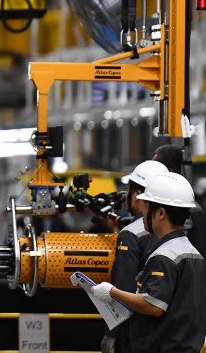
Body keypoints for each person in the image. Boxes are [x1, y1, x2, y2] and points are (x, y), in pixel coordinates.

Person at [91, 173, 206, 353]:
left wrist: (112, 292)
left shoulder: (165, 255)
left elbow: (153, 305)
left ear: (160, 213)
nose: (143, 213)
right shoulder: (192, 253)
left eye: (147, 207)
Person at [101, 160, 168, 353]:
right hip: (168, 332)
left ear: (137, 194)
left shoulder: (131, 235)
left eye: (129, 190)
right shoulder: (175, 232)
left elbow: (122, 288)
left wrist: (111, 333)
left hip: (136, 334)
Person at [152, 145, 206, 256]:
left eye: (156, 169)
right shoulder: (158, 205)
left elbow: (199, 255)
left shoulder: (193, 210)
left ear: (170, 172)